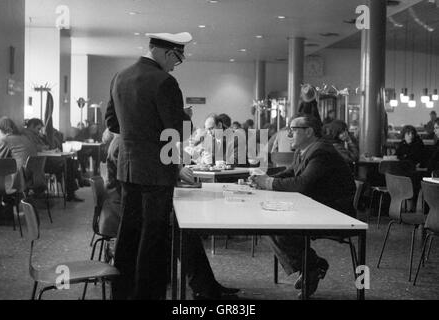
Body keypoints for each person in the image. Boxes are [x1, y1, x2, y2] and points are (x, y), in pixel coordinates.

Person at [106, 32, 237, 300]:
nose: (176, 65)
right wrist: (185, 117)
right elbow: (178, 131)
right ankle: (147, 295)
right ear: (167, 53)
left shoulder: (120, 77)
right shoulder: (164, 81)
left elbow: (112, 124)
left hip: (127, 167)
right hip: (156, 169)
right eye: (177, 59)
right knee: (153, 237)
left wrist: (140, 129)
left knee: (129, 232)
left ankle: (122, 292)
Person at [250, 114, 356, 299]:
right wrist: (264, 180)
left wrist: (267, 183)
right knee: (270, 222)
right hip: (315, 206)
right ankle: (312, 266)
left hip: (334, 212)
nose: (288, 133)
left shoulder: (321, 151)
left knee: (275, 226)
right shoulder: (304, 150)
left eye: (293, 129)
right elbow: (291, 173)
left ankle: (311, 266)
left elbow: (302, 184)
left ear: (309, 131)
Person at [23, 118, 85, 202]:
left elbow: (42, 146)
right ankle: (74, 189)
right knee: (68, 164)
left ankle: (76, 186)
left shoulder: (34, 135)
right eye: (38, 129)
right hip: (40, 164)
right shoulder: (27, 136)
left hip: (43, 161)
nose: (39, 131)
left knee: (69, 163)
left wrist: (44, 142)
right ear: (31, 126)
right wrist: (45, 147)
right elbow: (35, 148)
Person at [0, 117, 37, 220]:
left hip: (16, 181)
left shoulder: (4, 140)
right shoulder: (24, 138)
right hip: (29, 178)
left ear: (3, 130)